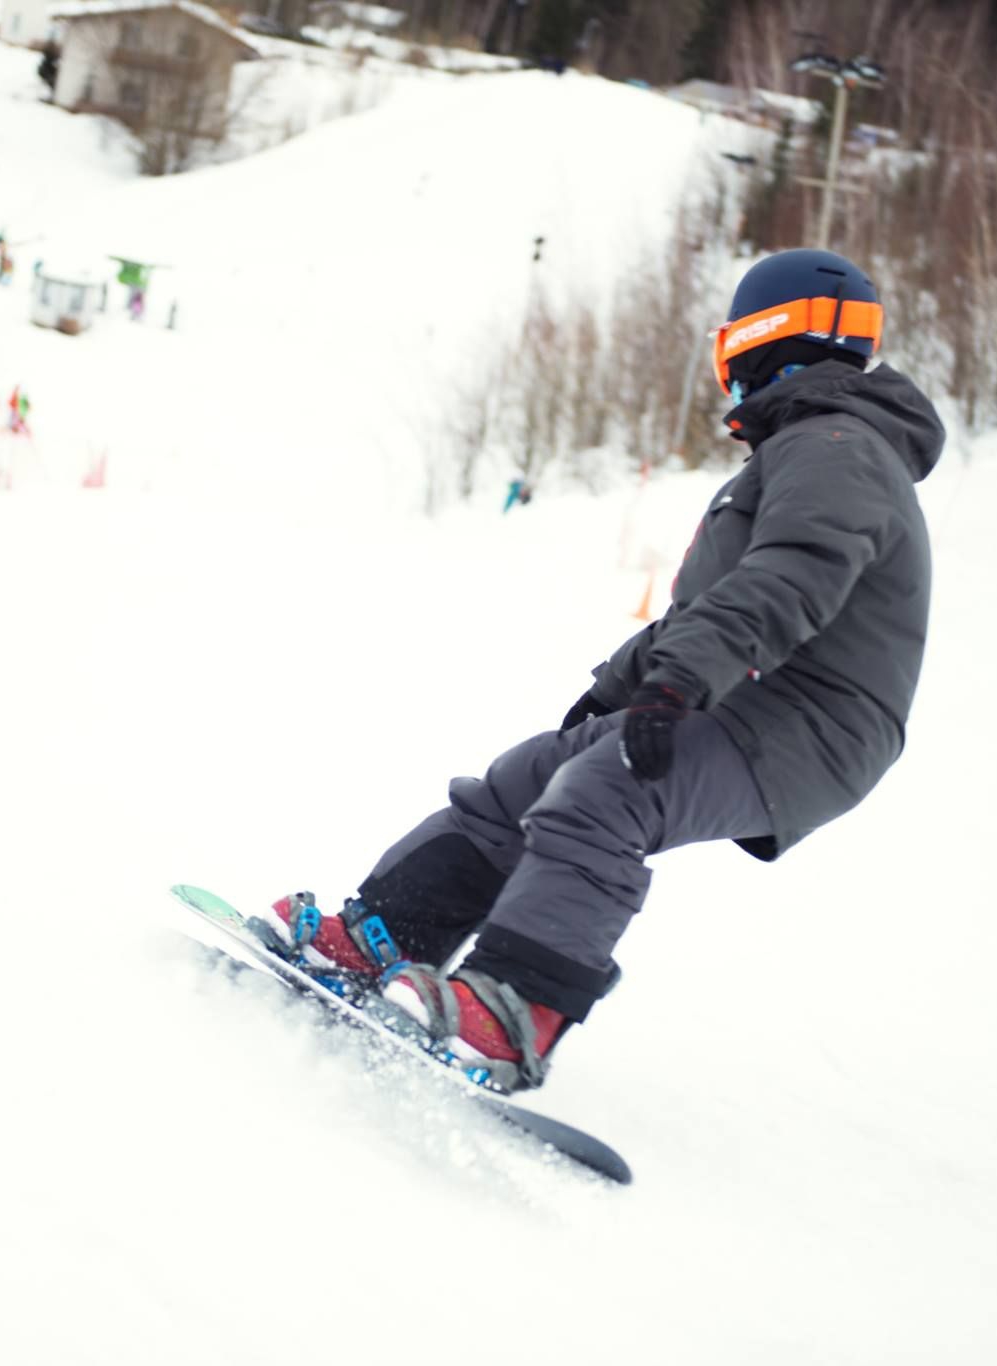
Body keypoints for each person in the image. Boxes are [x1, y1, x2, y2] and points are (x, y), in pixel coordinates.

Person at [266, 249, 944, 1092]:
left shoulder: (837, 447)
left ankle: (517, 1014)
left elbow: (792, 577)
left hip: (810, 723)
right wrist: (623, 688)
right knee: (527, 779)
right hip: (750, 697)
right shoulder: (814, 445)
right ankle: (384, 937)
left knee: (606, 793)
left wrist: (677, 683)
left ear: (759, 339)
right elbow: (708, 608)